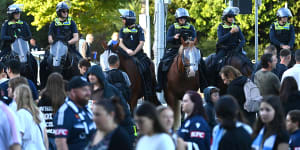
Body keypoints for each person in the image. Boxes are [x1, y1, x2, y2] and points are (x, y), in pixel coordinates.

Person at [86, 65, 136, 143]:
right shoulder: (87, 90)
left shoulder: (110, 90)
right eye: (89, 74)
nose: (91, 77)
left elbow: (122, 110)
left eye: (93, 74)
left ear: (99, 75)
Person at [156, 8, 197, 92]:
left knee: (201, 62)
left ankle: (204, 83)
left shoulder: (191, 27)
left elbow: (194, 37)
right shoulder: (172, 27)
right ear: (177, 19)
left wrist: (190, 40)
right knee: (162, 63)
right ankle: (160, 84)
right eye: (180, 18)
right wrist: (174, 37)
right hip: (174, 49)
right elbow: (167, 39)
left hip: (188, 48)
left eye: (184, 18)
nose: (182, 20)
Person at [118, 9, 154, 99]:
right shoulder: (122, 30)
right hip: (125, 54)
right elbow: (120, 43)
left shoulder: (139, 29)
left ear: (129, 20)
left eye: (124, 19)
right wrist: (127, 50)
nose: (123, 21)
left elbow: (141, 42)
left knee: (148, 64)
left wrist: (134, 52)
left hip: (138, 54)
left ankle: (149, 88)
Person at [53, 76, 96, 150]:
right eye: (84, 90)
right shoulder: (64, 112)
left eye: (89, 89)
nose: (88, 93)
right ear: (73, 92)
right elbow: (60, 142)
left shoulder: (87, 110)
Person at [14, 84, 48, 150]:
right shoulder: (38, 112)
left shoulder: (21, 114)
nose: (14, 97)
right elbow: (45, 137)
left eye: (15, 95)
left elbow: (18, 139)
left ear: (19, 97)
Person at [38, 72, 66, 150]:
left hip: (46, 135)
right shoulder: (64, 101)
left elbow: (39, 119)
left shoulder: (42, 101)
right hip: (60, 136)